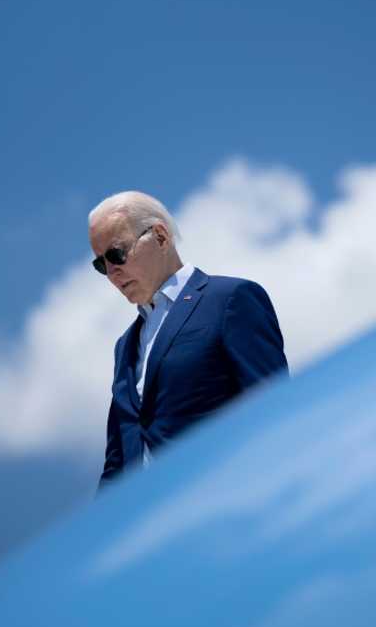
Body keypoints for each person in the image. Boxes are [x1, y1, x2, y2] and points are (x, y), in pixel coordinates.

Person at [88, 191, 288, 491]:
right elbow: (117, 461)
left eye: (117, 254)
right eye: (101, 264)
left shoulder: (230, 299)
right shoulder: (125, 346)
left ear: (160, 237)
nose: (112, 272)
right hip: (148, 524)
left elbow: (274, 408)